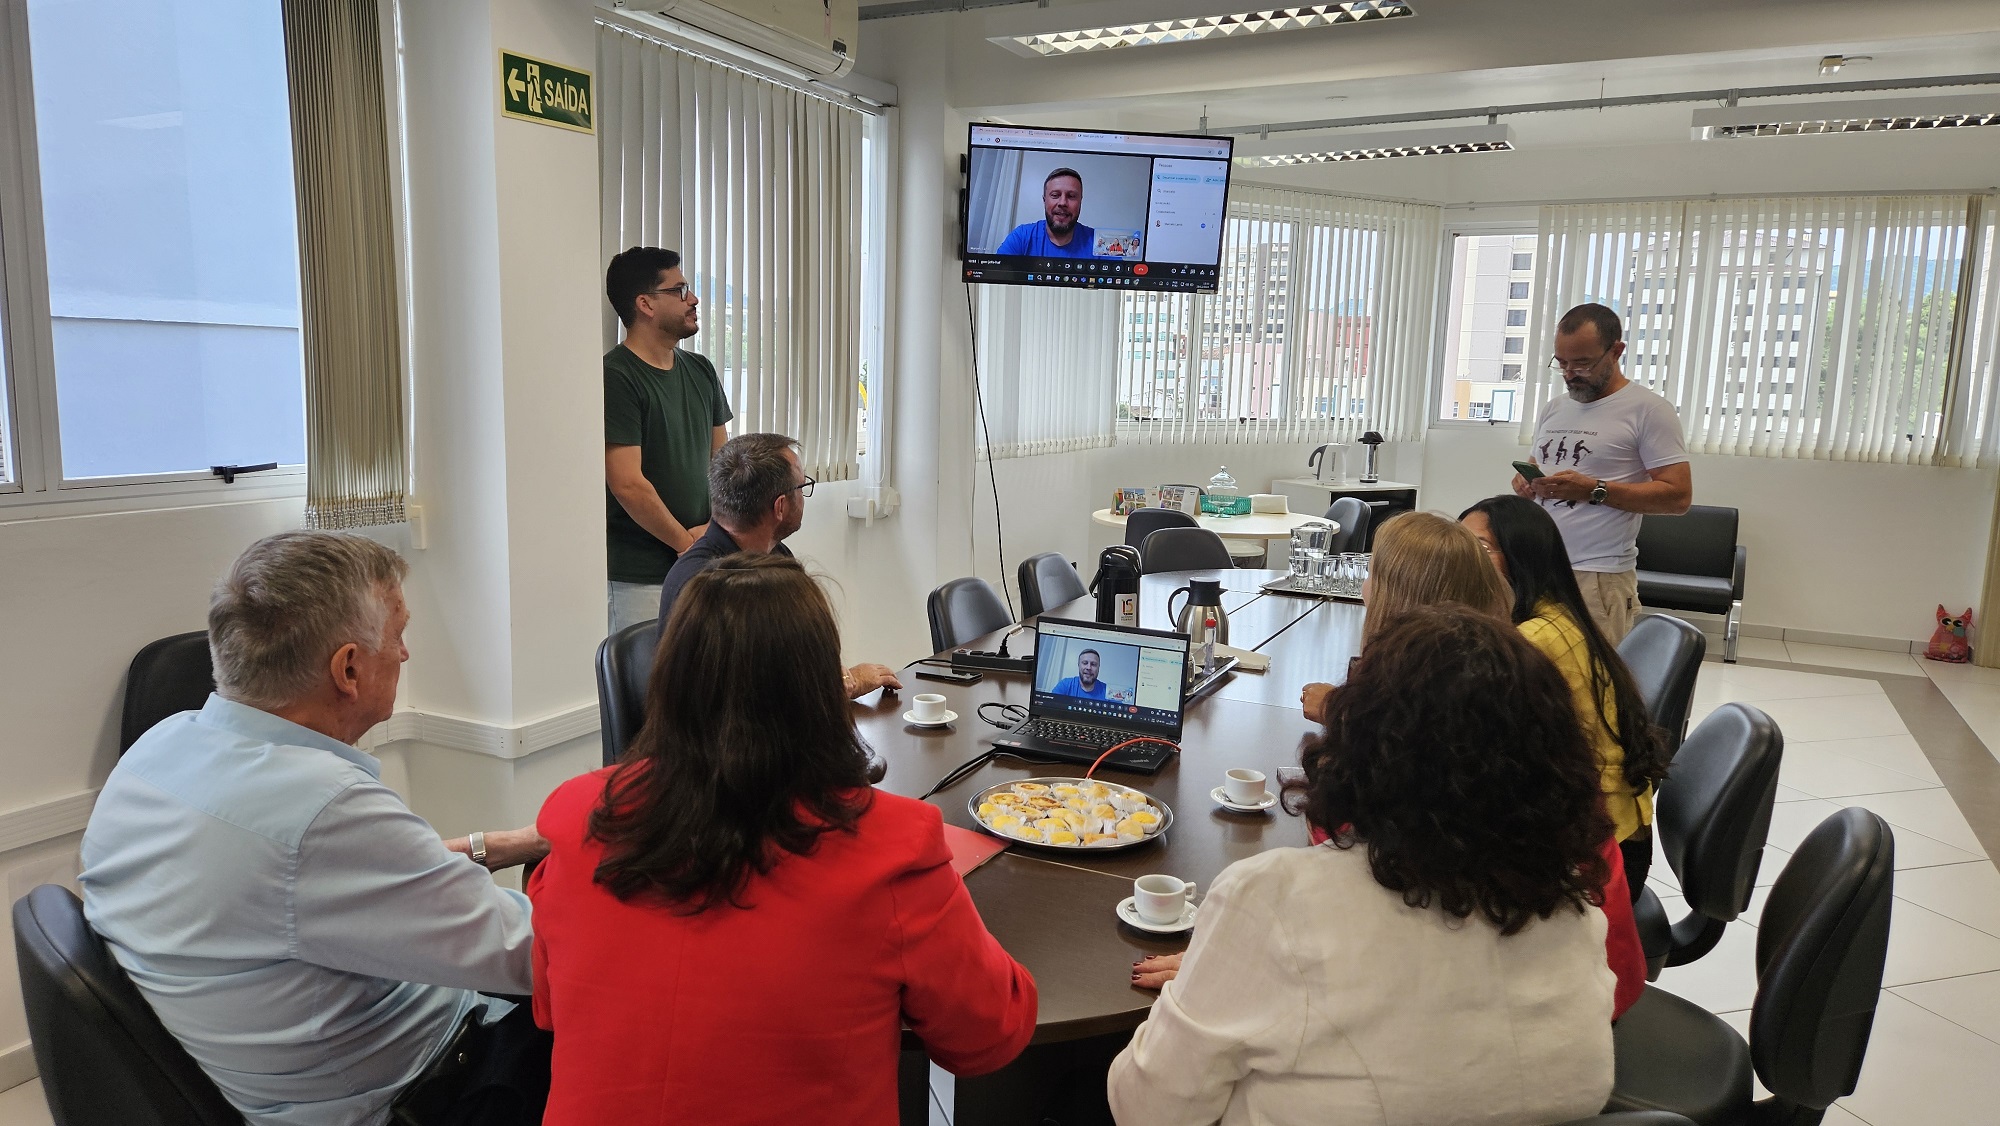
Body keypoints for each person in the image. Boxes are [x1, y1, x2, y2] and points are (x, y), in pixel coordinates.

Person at [529, 554, 1038, 1124]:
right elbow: (989, 1034)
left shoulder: (576, 819)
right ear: (819, 691)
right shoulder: (891, 849)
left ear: (669, 680)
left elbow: (550, 1009)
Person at [79, 531, 551, 1126]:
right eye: (398, 636)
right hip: (422, 1094)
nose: (405, 655)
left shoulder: (158, 749)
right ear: (348, 669)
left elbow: (360, 881)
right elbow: (540, 954)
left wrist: (516, 842)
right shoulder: (326, 812)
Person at [1108, 605, 1618, 1125]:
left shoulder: (1274, 899)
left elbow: (1144, 1110)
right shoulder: (1577, 916)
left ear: (1362, 745)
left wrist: (1205, 979)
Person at [1462, 494, 1670, 889]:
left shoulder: (1534, 638)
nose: (1466, 558)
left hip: (1600, 850)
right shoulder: (1551, 611)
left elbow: (1469, 741)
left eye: (1482, 547)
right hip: (1607, 828)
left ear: (1521, 556)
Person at [656, 432, 902, 700]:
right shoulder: (711, 585)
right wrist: (844, 682)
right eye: (801, 487)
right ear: (780, 506)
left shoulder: (777, 557)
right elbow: (754, 695)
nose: (805, 495)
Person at [1514, 302, 1692, 643]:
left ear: (1616, 351)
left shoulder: (1649, 410)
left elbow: (1678, 497)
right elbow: (1538, 467)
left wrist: (1594, 490)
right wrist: (1527, 482)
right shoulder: (1554, 408)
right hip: (1538, 566)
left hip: (1598, 576)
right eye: (1562, 363)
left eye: (1582, 363)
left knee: (1593, 687)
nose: (1569, 374)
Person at [604, 246, 733, 633]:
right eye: (679, 290)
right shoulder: (616, 376)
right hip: (640, 574)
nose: (692, 299)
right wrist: (685, 543)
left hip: (704, 559)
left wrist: (710, 536)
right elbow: (627, 482)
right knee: (650, 687)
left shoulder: (701, 370)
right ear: (645, 304)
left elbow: (724, 463)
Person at [1299, 511, 1510, 724]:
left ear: (1396, 595)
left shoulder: (1419, 683)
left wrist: (1336, 709)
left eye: (1372, 575)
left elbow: (1391, 740)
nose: (1365, 586)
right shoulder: (1484, 667)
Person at [996, 167, 1098, 258]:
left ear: (1080, 201)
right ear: (1044, 200)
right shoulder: (1022, 237)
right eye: (1055, 195)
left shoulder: (1098, 242)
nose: (1062, 203)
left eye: (1071, 196)